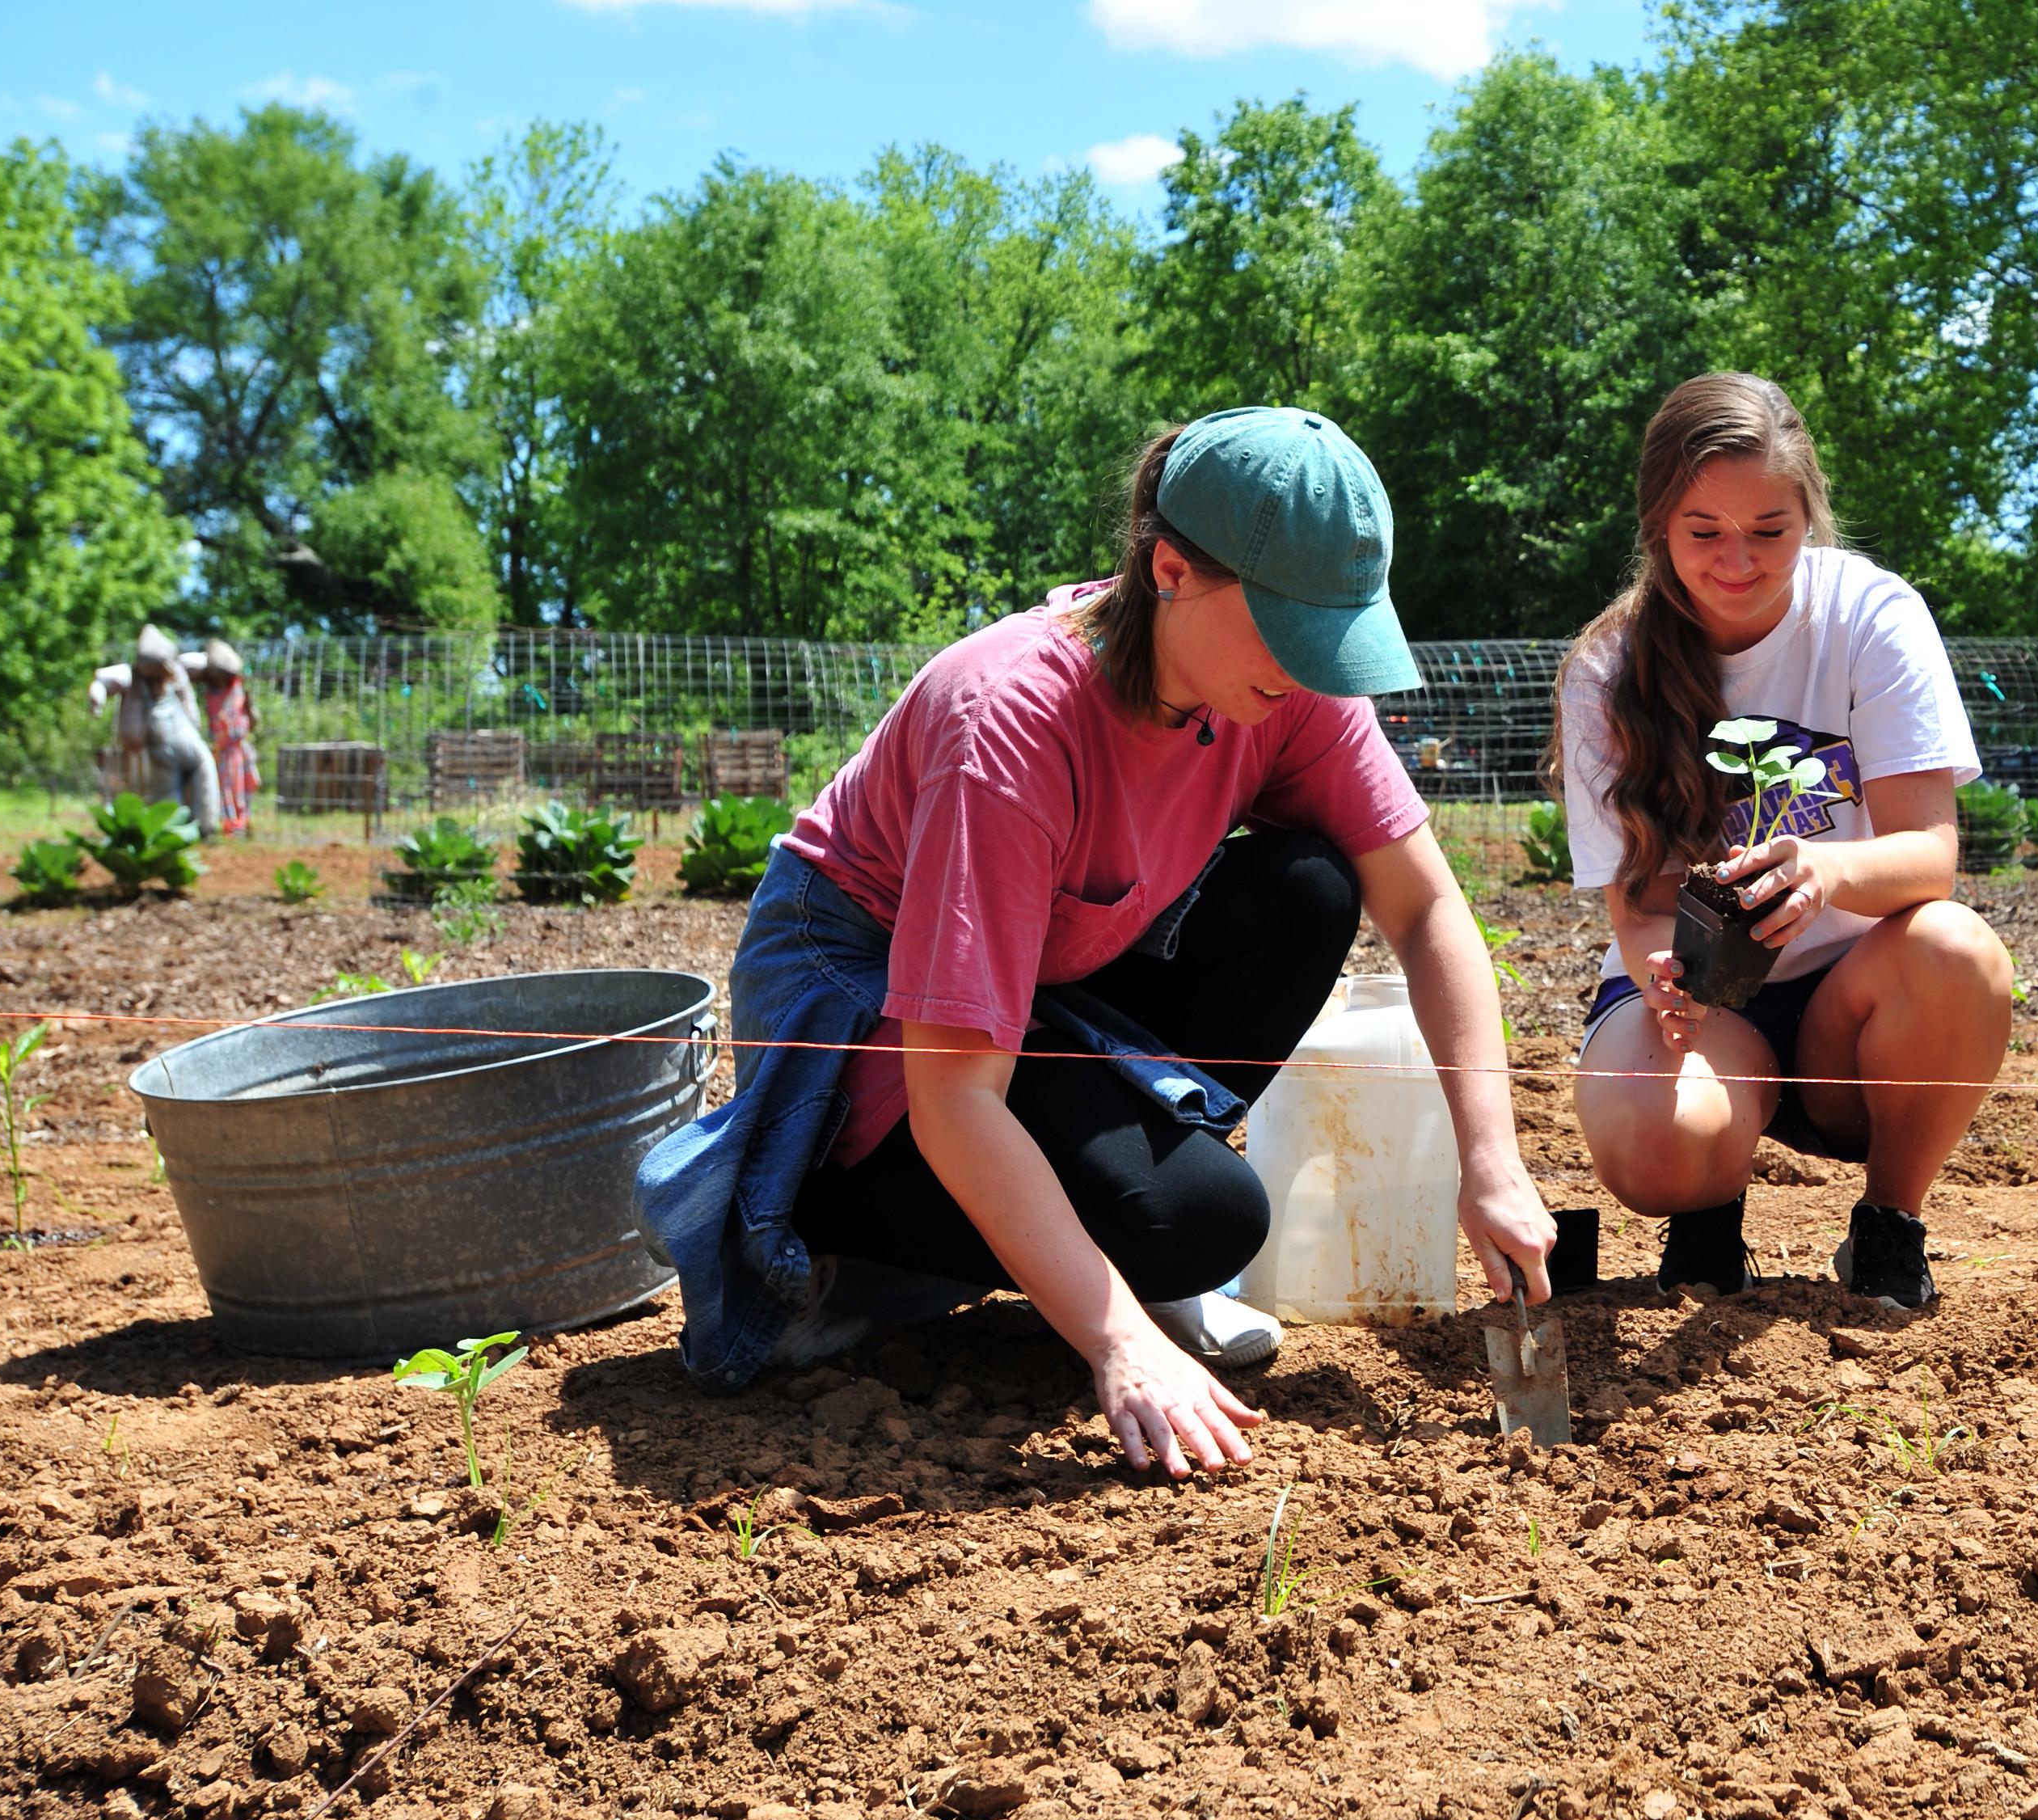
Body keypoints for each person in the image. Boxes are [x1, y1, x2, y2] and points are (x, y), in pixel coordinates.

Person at [638, 407, 1556, 1476]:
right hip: (862, 992)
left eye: (1333, 636)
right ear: (1171, 570)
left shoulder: (1288, 687)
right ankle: (834, 1242)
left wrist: (1490, 1160)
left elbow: (1428, 909)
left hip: (1039, 975)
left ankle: (1087, 1246)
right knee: (1196, 1221)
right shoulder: (1011, 725)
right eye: (1291, 631)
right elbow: (953, 1094)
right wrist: (1119, 1340)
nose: (1313, 670)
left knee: (1303, 889)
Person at [1554, 373, 2015, 1310]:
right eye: (1703, 533)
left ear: (1808, 513)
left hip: (1855, 1008)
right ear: (1657, 528)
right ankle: (1706, 1208)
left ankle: (1888, 1226)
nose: (1738, 560)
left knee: (1958, 950)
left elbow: (1929, 852)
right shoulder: (1608, 669)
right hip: (1700, 981)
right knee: (1654, 1147)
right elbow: (1640, 908)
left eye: (1770, 529)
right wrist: (1670, 991)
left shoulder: (1870, 617)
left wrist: (1823, 868)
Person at [87, 626, 223, 836]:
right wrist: (98, 695)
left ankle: (204, 829)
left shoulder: (176, 671)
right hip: (169, 748)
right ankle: (176, 833)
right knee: (170, 793)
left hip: (185, 745)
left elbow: (203, 662)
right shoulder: (136, 675)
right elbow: (105, 680)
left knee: (201, 783)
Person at [196, 640, 255, 836]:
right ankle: (228, 824)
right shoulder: (211, 693)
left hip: (236, 750)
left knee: (239, 787)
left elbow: (251, 718)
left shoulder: (238, 689)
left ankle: (240, 823)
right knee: (224, 788)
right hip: (221, 750)